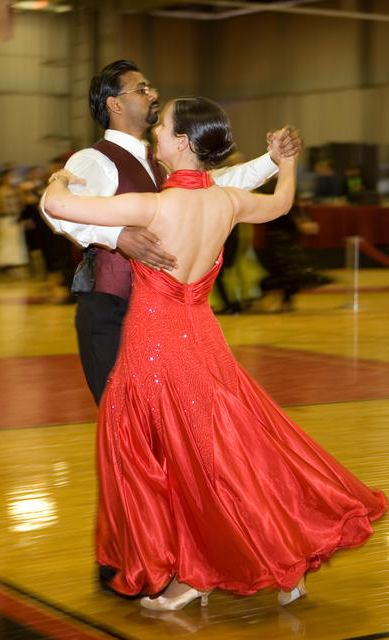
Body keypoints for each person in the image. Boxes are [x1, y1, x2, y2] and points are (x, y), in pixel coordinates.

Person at [44, 96, 386, 611]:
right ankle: (277, 555)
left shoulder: (153, 206)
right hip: (204, 337)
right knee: (230, 447)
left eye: (163, 126)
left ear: (182, 142)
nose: (155, 131)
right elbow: (282, 204)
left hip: (154, 348)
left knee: (176, 461)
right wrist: (286, 162)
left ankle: (196, 574)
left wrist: (58, 179)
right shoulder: (226, 201)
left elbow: (59, 207)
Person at [41, 59, 301, 406]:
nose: (153, 94)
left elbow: (217, 185)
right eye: (142, 89)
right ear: (115, 104)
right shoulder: (93, 159)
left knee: (163, 419)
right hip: (111, 307)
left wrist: (272, 160)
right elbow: (56, 211)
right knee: (123, 414)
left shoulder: (162, 162)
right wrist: (117, 237)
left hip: (161, 320)